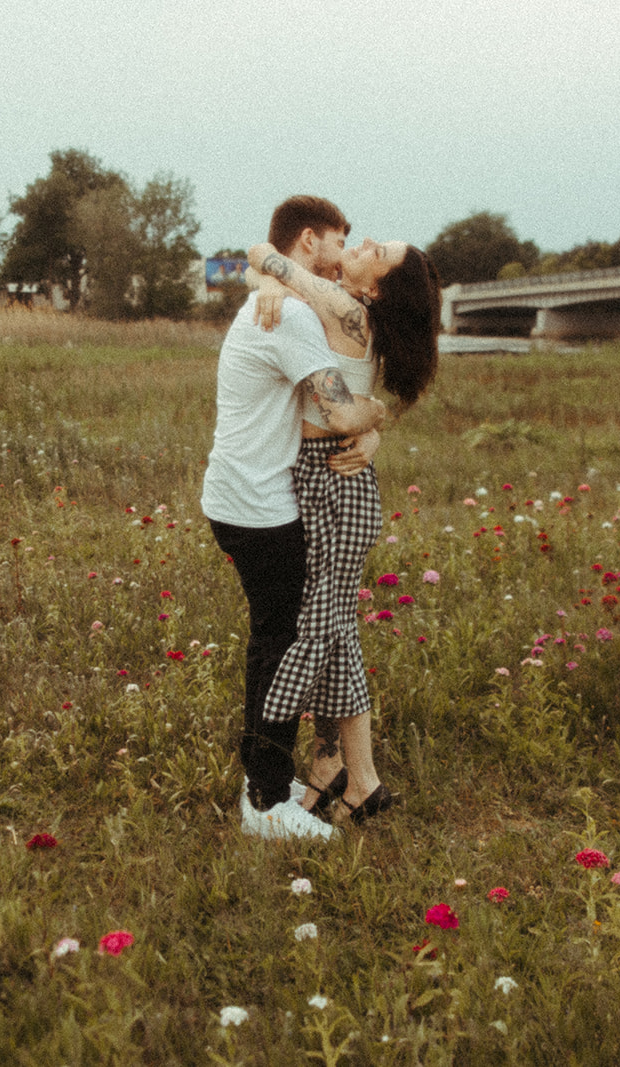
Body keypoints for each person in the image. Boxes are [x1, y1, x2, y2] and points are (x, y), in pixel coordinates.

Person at [202, 196, 387, 841]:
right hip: (259, 507)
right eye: (342, 240)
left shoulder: (279, 301)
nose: (345, 252)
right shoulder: (293, 319)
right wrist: (378, 420)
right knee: (278, 646)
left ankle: (271, 778)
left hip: (240, 493)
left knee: (274, 638)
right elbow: (339, 413)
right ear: (310, 242)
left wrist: (266, 273)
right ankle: (267, 801)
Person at [245, 234, 441, 826]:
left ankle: (305, 762)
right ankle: (346, 774)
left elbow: (259, 251)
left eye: (376, 251)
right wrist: (274, 284)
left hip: (332, 480)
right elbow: (273, 272)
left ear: (374, 287)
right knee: (334, 629)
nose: (362, 244)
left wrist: (271, 277)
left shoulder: (345, 307)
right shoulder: (348, 310)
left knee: (323, 630)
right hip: (333, 478)